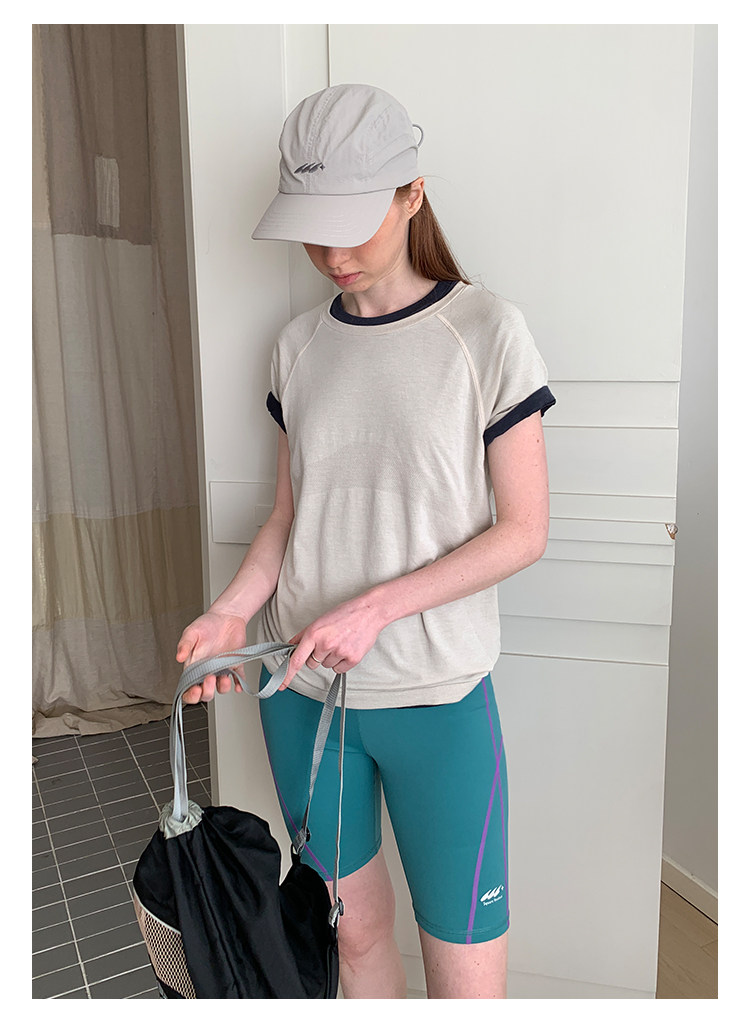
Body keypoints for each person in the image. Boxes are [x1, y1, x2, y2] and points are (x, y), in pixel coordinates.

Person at [176, 83, 555, 1000]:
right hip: (302, 697)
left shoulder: (486, 333)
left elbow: (525, 531)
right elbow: (287, 517)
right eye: (313, 231)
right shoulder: (298, 346)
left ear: (412, 193)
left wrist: (375, 608)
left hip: (437, 701)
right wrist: (230, 612)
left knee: (465, 971)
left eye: (353, 225)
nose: (333, 255)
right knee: (353, 938)